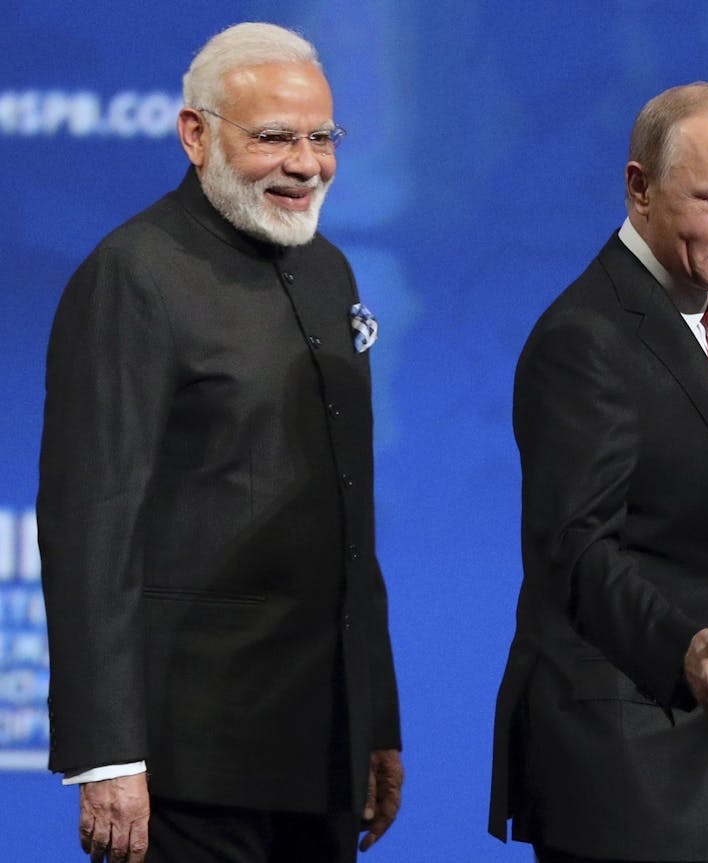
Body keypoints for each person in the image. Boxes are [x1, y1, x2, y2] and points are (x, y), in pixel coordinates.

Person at [37, 22, 402, 863]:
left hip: (320, 753)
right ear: (195, 134)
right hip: (188, 768)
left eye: (321, 137)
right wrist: (107, 752)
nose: (306, 163)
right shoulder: (134, 273)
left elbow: (351, 522)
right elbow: (91, 524)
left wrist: (375, 721)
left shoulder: (328, 271)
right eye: (274, 138)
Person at [488, 82, 708, 863]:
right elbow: (577, 548)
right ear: (639, 188)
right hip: (624, 771)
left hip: (702, 771)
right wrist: (680, 646)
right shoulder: (586, 338)